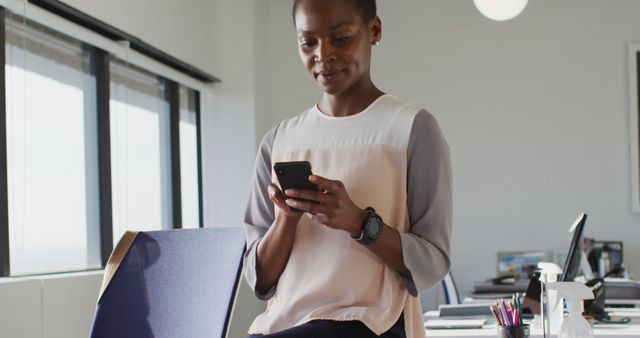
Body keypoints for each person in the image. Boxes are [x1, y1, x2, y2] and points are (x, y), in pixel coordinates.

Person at [243, 0, 452, 337]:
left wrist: (358, 222)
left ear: (374, 31)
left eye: (340, 38)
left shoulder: (411, 129)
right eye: (308, 43)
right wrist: (286, 220)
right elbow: (261, 281)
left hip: (371, 323)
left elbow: (432, 262)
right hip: (283, 324)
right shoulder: (277, 141)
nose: (322, 55)